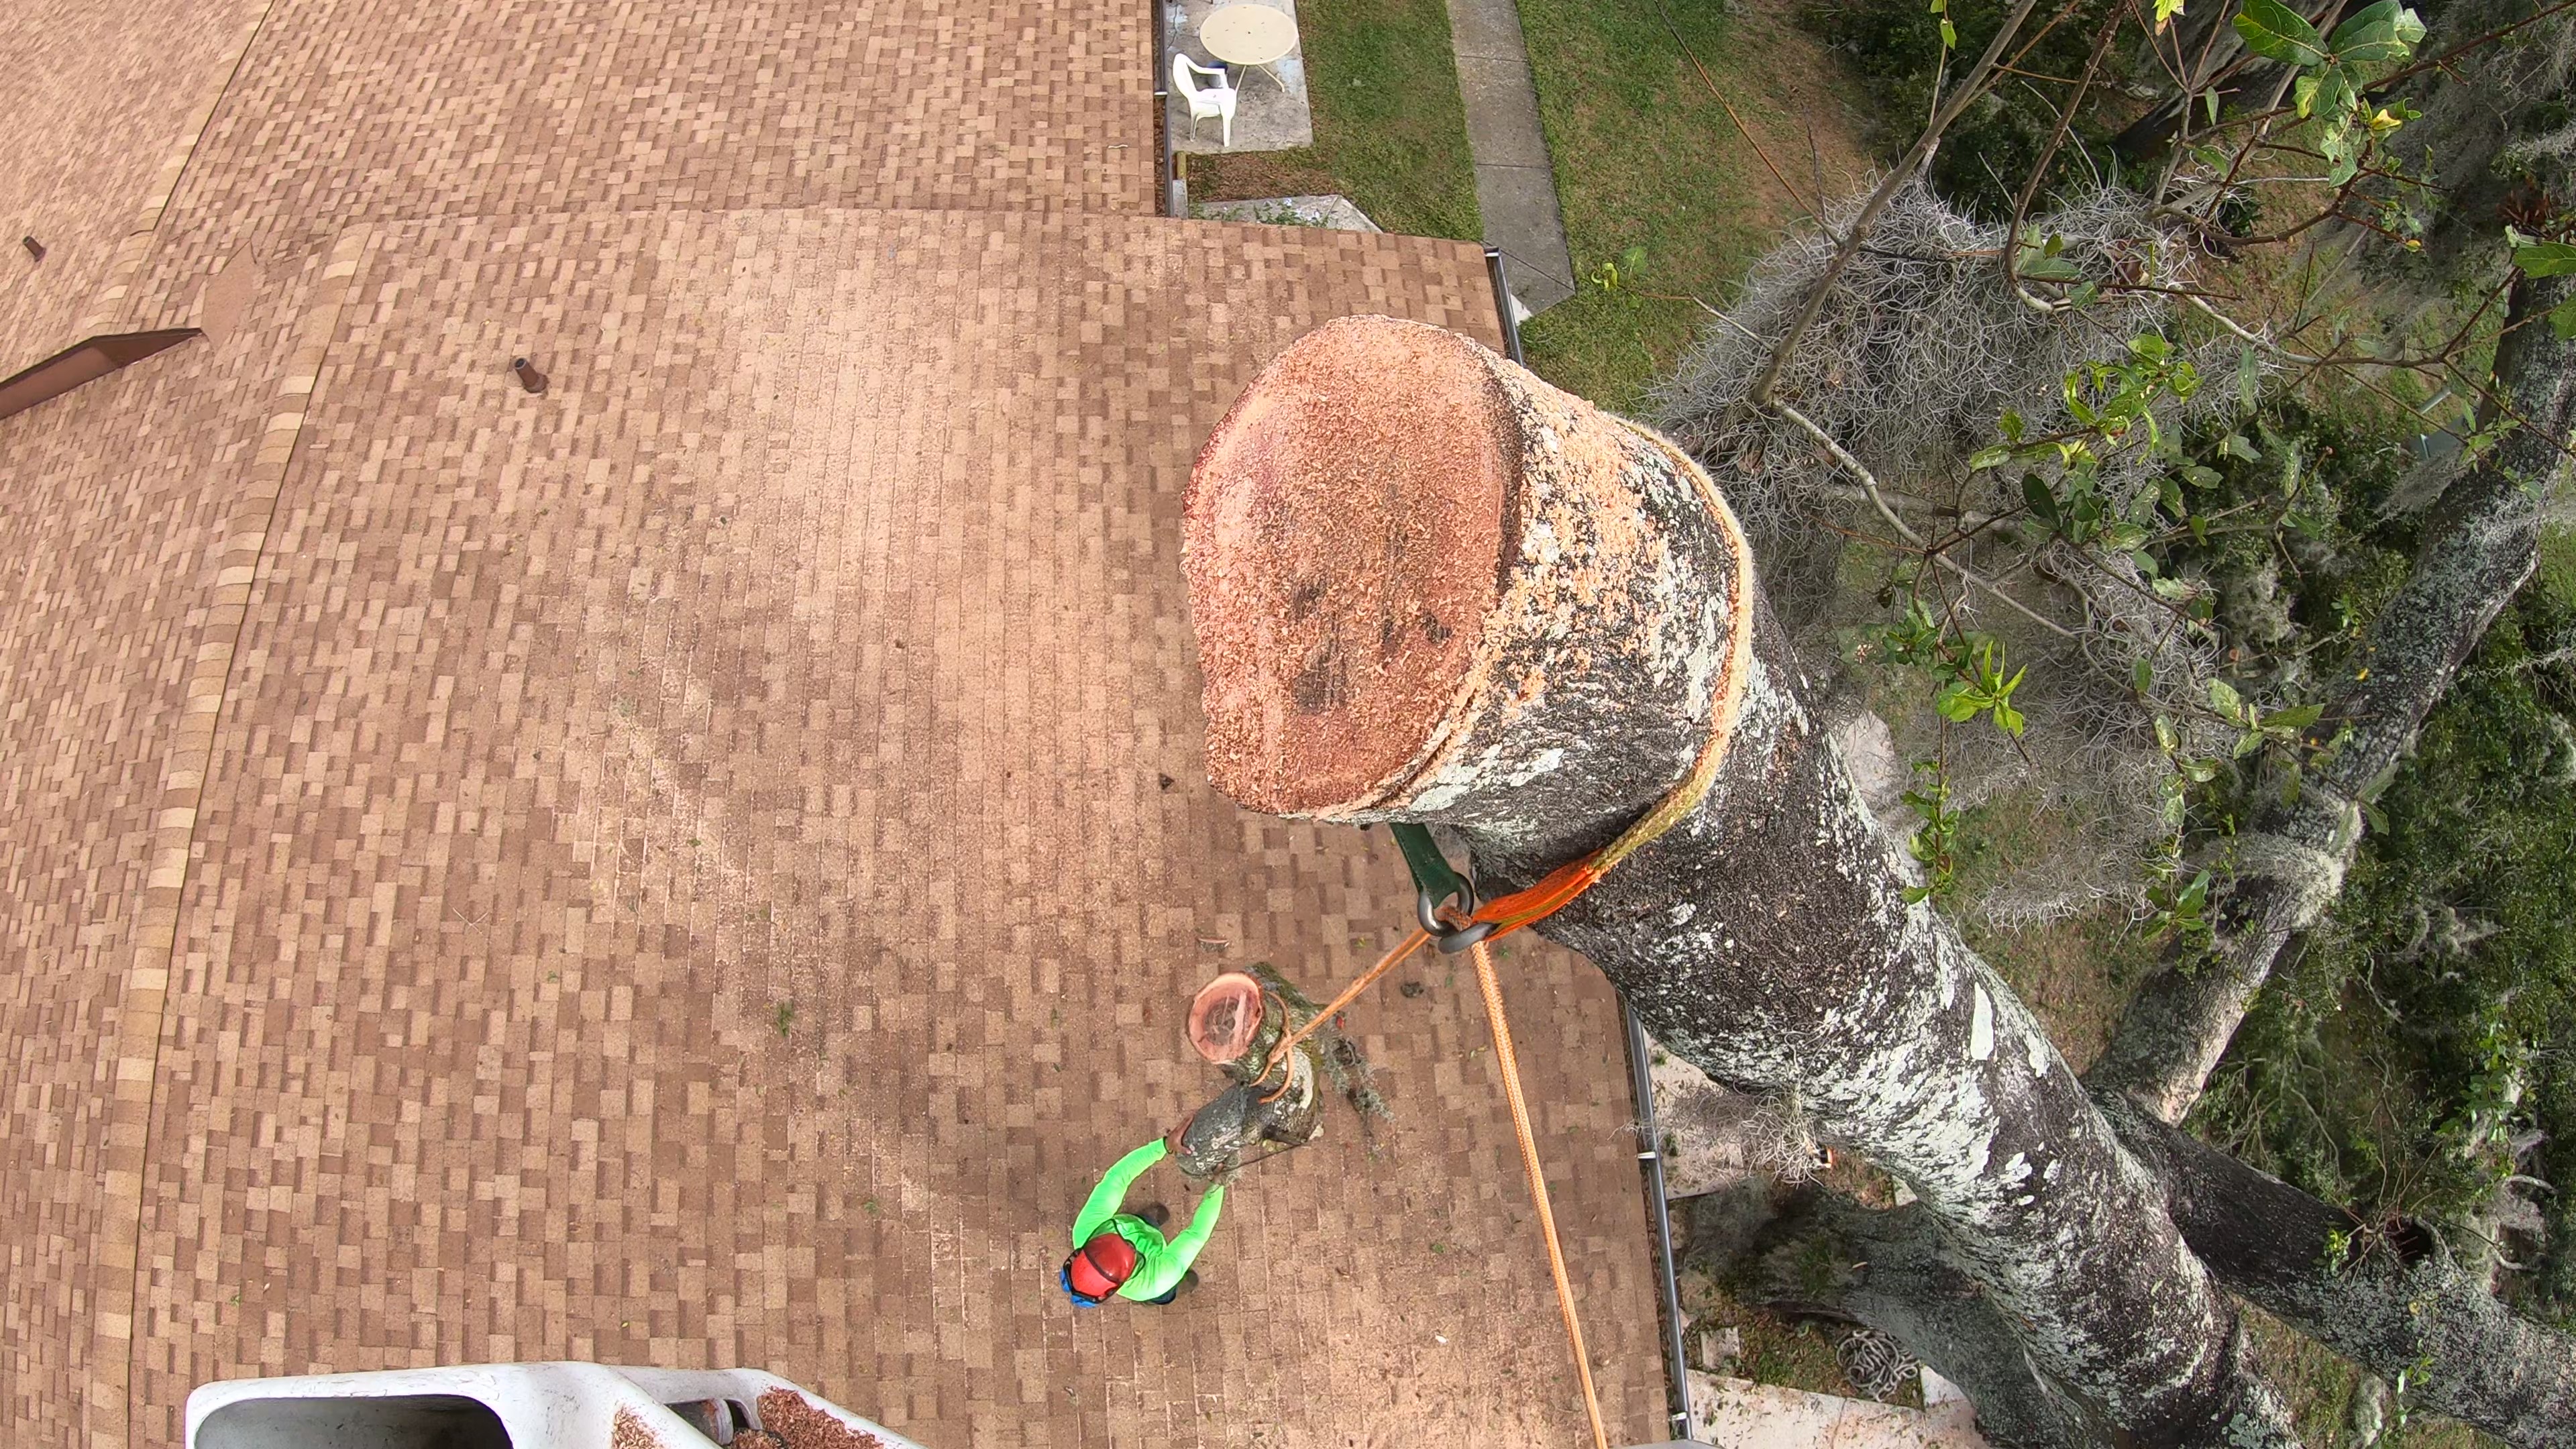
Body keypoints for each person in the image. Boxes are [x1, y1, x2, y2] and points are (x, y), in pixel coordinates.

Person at [1059, 1130, 1226, 1307]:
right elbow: (1196, 1234)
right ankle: (1170, 1291)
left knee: (1150, 1230)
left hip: (1148, 1246)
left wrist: (1165, 1145)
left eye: (1116, 1237)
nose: (1130, 1242)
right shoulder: (1155, 1283)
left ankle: (1148, 1223)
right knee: (1164, 1292)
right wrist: (1217, 1186)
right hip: (1158, 1283)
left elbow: (1117, 1178)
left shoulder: (1085, 1230)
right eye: (1131, 1249)